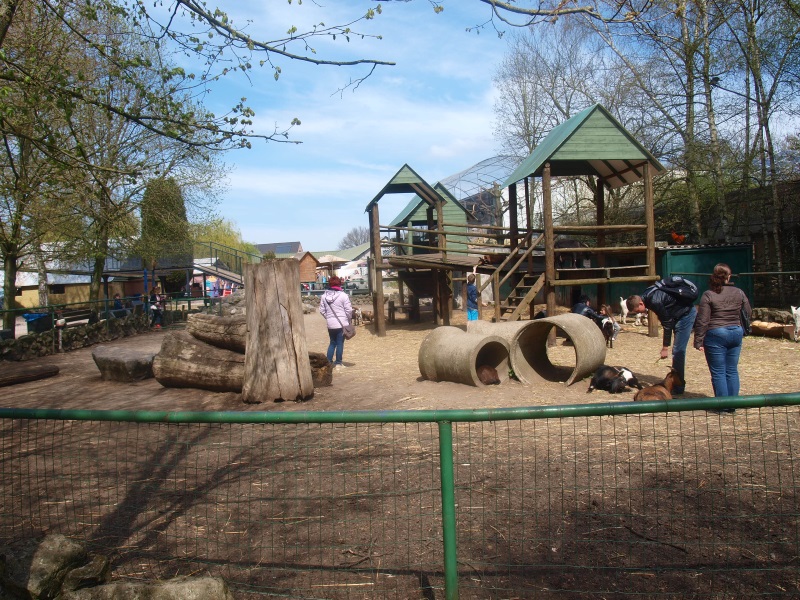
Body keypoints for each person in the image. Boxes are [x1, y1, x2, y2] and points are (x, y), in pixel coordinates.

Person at [627, 276, 698, 395]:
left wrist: (665, 347)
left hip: (685, 315)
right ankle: (676, 384)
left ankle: (678, 387)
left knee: (678, 351)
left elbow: (667, 323)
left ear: (640, 303)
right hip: (676, 315)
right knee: (677, 350)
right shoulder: (647, 296)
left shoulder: (654, 301)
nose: (639, 313)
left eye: (638, 311)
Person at [693, 263, 752, 407]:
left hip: (716, 333)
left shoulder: (709, 294)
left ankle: (722, 405)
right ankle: (733, 404)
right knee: (732, 370)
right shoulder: (739, 292)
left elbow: (703, 319)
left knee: (718, 372)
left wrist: (698, 340)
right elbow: (748, 312)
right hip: (736, 331)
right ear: (729, 276)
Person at [318, 276, 353, 369]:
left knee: (332, 343)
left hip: (330, 324)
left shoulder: (324, 296)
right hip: (342, 323)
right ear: (339, 284)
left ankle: (328, 362)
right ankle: (338, 363)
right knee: (340, 343)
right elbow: (349, 310)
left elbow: (321, 310)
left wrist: (328, 317)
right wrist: (348, 320)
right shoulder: (343, 295)